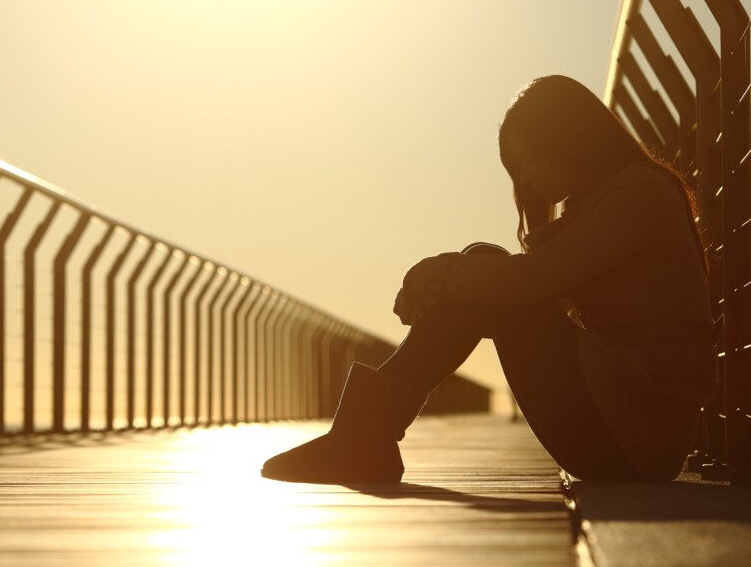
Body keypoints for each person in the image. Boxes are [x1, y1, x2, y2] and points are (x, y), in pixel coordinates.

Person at [261, 75, 717, 484]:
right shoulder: (602, 203)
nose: (526, 177)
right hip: (622, 422)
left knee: (488, 277)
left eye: (529, 158)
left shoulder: (637, 195)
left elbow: (527, 283)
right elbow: (523, 281)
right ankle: (362, 439)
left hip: (635, 436)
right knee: (484, 268)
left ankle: (360, 440)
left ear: (569, 140)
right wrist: (447, 277)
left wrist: (434, 273)